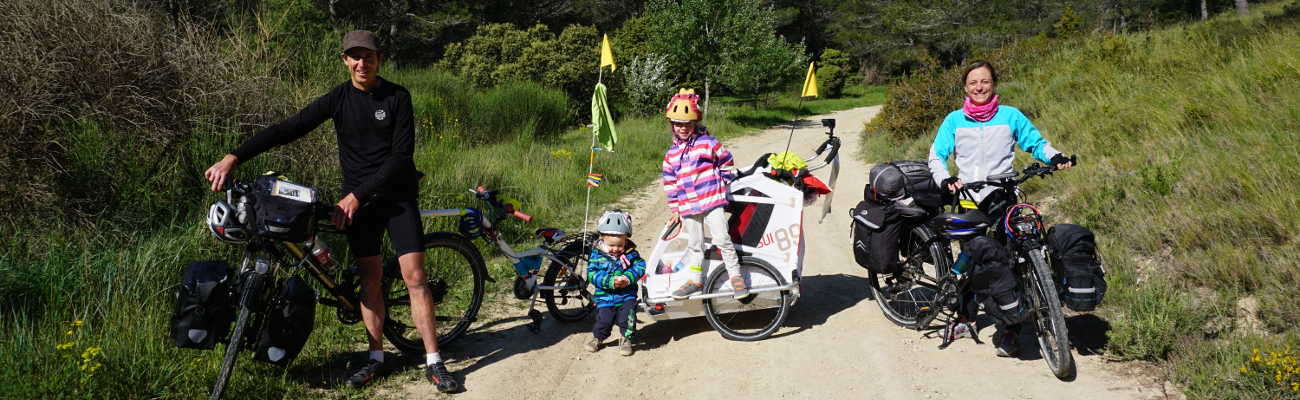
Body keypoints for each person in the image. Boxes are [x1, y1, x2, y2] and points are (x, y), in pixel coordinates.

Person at [203, 30, 459, 393]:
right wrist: (234, 157)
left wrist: (356, 194)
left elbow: (400, 158)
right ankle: (376, 358)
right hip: (357, 205)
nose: (361, 63)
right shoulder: (338, 99)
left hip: (397, 198)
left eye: (367, 56)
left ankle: (434, 361)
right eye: (354, 57)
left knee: (414, 277)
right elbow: (287, 129)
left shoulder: (398, 97)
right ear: (344, 61)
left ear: (378, 59)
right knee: (370, 281)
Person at [927, 60, 1075, 358]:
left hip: (1003, 198)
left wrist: (1055, 156)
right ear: (965, 88)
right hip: (968, 199)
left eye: (985, 81)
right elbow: (936, 156)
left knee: (1007, 265)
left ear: (994, 84)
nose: (979, 87)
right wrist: (946, 180)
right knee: (973, 261)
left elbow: (1036, 144)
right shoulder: (954, 120)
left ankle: (1009, 331)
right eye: (973, 83)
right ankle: (965, 316)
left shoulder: (1010, 116)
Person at [659, 89, 747, 301]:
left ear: (695, 123)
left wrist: (723, 181)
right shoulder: (671, 155)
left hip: (711, 200)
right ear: (672, 124)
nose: (683, 128)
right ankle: (695, 280)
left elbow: (726, 160)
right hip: (688, 206)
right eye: (678, 124)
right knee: (694, 245)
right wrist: (675, 209)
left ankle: (735, 276)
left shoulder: (708, 143)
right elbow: (670, 183)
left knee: (722, 238)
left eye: (687, 124)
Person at [583, 210, 646, 356]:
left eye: (620, 245)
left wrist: (628, 278)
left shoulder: (631, 254)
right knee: (603, 320)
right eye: (611, 245)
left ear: (626, 240)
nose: (616, 249)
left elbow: (640, 267)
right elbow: (592, 274)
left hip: (627, 295)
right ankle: (598, 338)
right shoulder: (597, 255)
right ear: (602, 238)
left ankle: (626, 338)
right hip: (605, 296)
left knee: (627, 319)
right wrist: (609, 281)